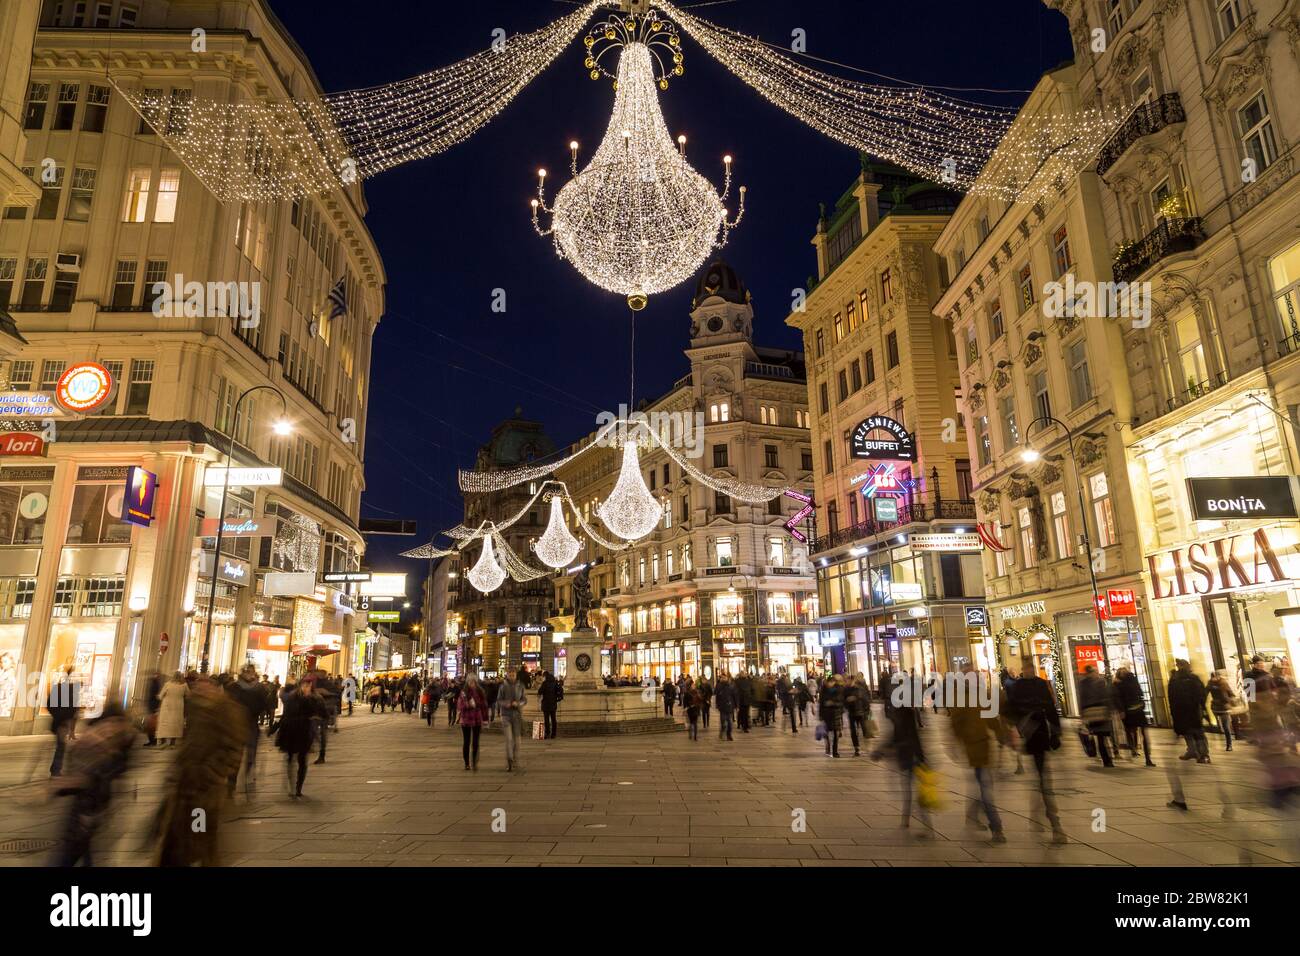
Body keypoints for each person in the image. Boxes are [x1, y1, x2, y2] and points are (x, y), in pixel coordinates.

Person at [155, 677, 245, 865]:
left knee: (200, 833)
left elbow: (234, 749)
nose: (199, 689)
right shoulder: (197, 707)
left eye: (204, 686)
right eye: (197, 686)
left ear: (214, 688)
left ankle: (203, 861)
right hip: (184, 785)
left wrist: (212, 773)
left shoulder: (227, 711)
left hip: (204, 791)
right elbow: (189, 744)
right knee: (177, 835)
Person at [53, 702, 135, 866]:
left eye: (118, 723)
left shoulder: (119, 744)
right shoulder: (94, 744)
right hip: (85, 812)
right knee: (69, 855)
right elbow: (86, 778)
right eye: (111, 722)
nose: (113, 727)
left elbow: (111, 776)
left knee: (84, 852)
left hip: (95, 813)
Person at [1005, 658, 1067, 844]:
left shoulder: (1041, 684)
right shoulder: (1018, 687)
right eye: (1027, 668)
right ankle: (1052, 821)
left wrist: (1057, 732)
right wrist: (1020, 726)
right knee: (1042, 778)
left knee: (1042, 777)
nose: (1029, 670)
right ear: (1023, 669)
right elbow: (1010, 710)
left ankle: (1042, 817)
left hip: (1041, 734)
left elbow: (1050, 708)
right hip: (1031, 735)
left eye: (1031, 667)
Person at [948, 664, 1007, 843]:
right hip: (974, 747)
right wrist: (955, 743)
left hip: (983, 746)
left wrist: (1000, 735)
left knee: (982, 785)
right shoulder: (962, 697)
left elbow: (991, 716)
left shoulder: (980, 694)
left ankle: (972, 816)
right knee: (985, 788)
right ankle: (996, 827)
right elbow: (956, 723)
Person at [275, 678, 323, 798]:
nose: (307, 688)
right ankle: (291, 786)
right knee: (290, 758)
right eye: (305, 685)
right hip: (291, 730)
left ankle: (298, 787)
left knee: (302, 760)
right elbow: (286, 714)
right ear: (300, 686)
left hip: (304, 731)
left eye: (309, 686)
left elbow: (321, 713)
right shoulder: (292, 697)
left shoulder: (314, 698)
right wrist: (274, 728)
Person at [225, 665, 265, 796]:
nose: (249, 674)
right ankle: (231, 783)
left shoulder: (259, 688)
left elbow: (263, 705)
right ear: (242, 673)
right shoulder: (233, 687)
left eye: (251, 672)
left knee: (250, 755)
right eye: (247, 672)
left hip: (252, 724)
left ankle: (245, 776)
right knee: (235, 756)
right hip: (236, 725)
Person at [1169, 659, 1211, 764]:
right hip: (1190, 710)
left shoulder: (1177, 679)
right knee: (1192, 731)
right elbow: (1202, 694)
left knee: (1193, 731)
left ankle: (1201, 753)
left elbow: (1172, 697)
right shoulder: (1182, 679)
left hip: (1186, 710)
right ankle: (1197, 752)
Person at [1114, 666, 1156, 766]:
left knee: (1131, 731)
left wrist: (1121, 710)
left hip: (1129, 711)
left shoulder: (1119, 684)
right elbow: (1140, 693)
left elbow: (1119, 698)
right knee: (1142, 732)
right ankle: (1147, 757)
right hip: (1137, 710)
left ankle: (1136, 750)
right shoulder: (1133, 681)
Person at [46, 666, 82, 777]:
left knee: (60, 746)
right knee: (61, 746)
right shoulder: (73, 692)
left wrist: (56, 716)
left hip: (57, 722)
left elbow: (49, 705)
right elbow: (73, 711)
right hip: (62, 723)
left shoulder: (58, 688)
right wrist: (71, 728)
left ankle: (56, 769)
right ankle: (56, 770)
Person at [1077, 665, 1115, 767]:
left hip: (1090, 713)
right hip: (1100, 712)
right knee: (1103, 736)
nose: (1097, 673)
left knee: (1099, 736)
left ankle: (1106, 758)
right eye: (1095, 671)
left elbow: (1081, 699)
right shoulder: (1100, 682)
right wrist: (1109, 709)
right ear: (1092, 672)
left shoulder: (1082, 684)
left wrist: (1082, 714)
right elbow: (1106, 696)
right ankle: (1108, 759)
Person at [458, 674, 488, 771]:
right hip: (466, 719)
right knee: (466, 742)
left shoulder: (480, 692)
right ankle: (467, 763)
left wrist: (485, 719)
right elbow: (460, 706)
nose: (472, 684)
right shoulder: (463, 693)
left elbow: (484, 706)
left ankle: (474, 761)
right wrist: (468, 705)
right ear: (467, 682)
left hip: (477, 719)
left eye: (474, 682)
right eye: (470, 682)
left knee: (475, 742)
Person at [498, 669, 526, 772]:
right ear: (507, 675)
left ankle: (514, 759)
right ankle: (509, 760)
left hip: (517, 715)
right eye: (510, 674)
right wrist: (506, 703)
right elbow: (499, 700)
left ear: (516, 675)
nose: (511, 676)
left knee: (517, 741)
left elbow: (524, 699)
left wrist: (518, 704)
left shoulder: (520, 686)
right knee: (509, 739)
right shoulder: (502, 686)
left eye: (513, 674)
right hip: (506, 716)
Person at [155, 671, 187, 751]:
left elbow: (161, 696)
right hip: (178, 707)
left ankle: (163, 742)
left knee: (164, 723)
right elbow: (189, 695)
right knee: (175, 724)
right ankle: (172, 743)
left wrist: (158, 696)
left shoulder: (168, 684)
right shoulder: (184, 686)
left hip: (167, 706)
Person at [1207, 671, 1237, 752]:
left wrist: (1232, 701)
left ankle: (1229, 745)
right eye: (1212, 677)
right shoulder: (1210, 683)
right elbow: (1205, 692)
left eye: (1215, 677)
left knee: (1226, 727)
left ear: (1219, 677)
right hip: (1216, 707)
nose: (1214, 679)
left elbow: (1231, 693)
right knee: (1221, 726)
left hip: (1224, 707)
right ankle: (1220, 731)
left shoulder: (1223, 683)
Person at [843, 673, 871, 754]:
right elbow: (843, 700)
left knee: (864, 729)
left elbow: (865, 699)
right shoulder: (846, 690)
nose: (849, 682)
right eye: (848, 680)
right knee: (853, 731)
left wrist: (867, 710)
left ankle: (865, 746)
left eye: (850, 680)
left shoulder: (860, 688)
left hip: (860, 712)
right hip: (851, 713)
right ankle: (856, 747)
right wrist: (847, 702)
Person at [818, 673, 844, 758]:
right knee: (826, 732)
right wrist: (820, 715)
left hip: (835, 713)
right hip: (826, 714)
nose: (830, 684)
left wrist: (833, 703)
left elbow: (841, 702)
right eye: (829, 682)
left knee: (836, 733)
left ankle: (835, 751)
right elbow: (821, 703)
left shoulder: (838, 690)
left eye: (832, 682)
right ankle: (828, 746)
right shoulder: (824, 690)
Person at [142, 672, 163, 746]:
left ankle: (152, 740)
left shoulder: (155, 684)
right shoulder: (156, 683)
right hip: (152, 706)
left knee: (151, 725)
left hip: (152, 707)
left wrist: (155, 708)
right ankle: (152, 740)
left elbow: (155, 696)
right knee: (151, 725)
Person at [538, 671, 560, 739]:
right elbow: (558, 692)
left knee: (546, 719)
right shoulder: (555, 683)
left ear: (545, 676)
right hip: (553, 703)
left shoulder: (545, 683)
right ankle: (553, 734)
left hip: (546, 704)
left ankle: (547, 733)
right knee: (553, 719)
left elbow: (540, 691)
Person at [715, 673, 737, 741]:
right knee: (723, 722)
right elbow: (716, 695)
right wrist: (717, 705)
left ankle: (729, 735)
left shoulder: (730, 686)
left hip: (729, 706)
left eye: (725, 677)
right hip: (722, 707)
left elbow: (734, 696)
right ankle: (722, 733)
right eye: (722, 678)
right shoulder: (719, 686)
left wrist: (736, 705)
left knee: (730, 723)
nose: (724, 679)